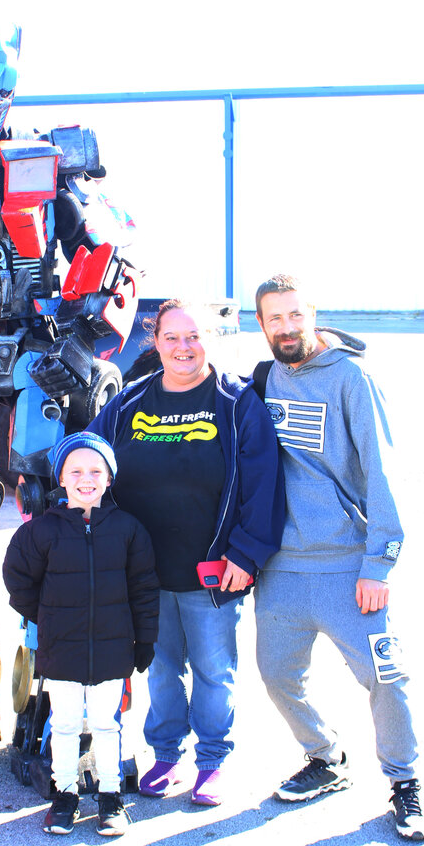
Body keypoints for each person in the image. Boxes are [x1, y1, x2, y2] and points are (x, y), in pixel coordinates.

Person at [253, 274, 424, 842]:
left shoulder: (352, 379)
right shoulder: (266, 378)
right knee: (277, 675)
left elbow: (384, 473)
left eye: (294, 316)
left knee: (386, 675)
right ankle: (325, 757)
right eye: (273, 319)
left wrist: (379, 562)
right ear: (261, 325)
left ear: (313, 314)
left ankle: (406, 784)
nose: (285, 328)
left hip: (348, 564)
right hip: (282, 568)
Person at [88, 299, 285, 806]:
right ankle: (166, 755)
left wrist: (245, 553)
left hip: (213, 569)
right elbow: (90, 456)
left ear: (210, 339)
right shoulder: (130, 402)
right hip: (147, 570)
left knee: (214, 670)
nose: (183, 347)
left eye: (193, 336)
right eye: (172, 338)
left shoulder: (237, 403)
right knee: (160, 668)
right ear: (155, 344)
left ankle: (214, 761)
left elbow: (263, 484)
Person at [3, 432, 159, 837]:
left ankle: (110, 796)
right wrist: (47, 617)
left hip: (112, 651)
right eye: (76, 470)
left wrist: (144, 641)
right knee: (67, 723)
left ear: (109, 479)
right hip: (61, 650)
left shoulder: (127, 530)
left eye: (95, 470)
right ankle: (65, 795)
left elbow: (143, 589)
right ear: (62, 478)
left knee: (107, 724)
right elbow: (17, 578)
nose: (85, 478)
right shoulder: (42, 531)